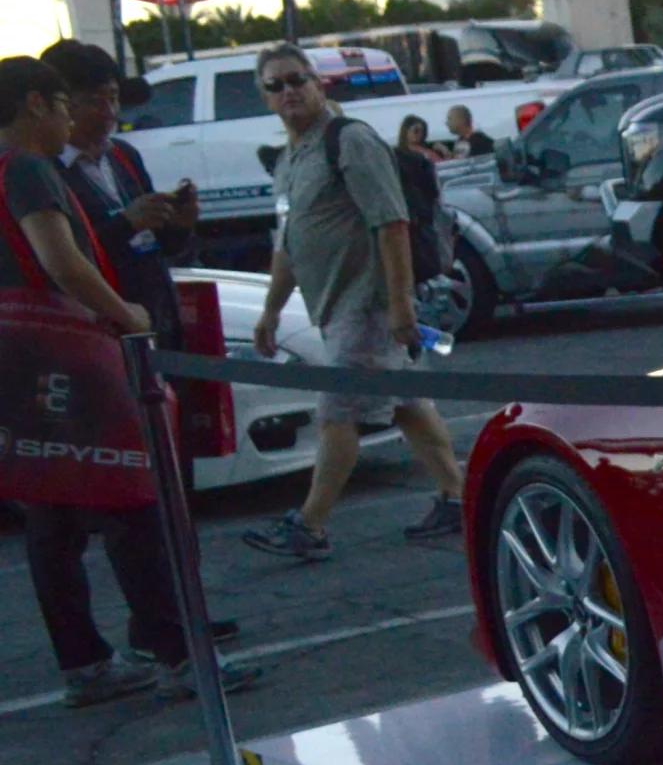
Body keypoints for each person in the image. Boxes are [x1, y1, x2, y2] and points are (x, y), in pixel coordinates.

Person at [0, 57, 254, 707]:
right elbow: (63, 262)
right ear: (35, 105)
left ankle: (85, 661)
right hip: (76, 355)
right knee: (136, 500)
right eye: (62, 104)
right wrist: (124, 313)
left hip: (24, 362)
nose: (67, 119)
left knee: (51, 509)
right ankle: (176, 654)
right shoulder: (28, 169)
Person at [240, 45, 465, 560]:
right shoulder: (289, 159)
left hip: (368, 303)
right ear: (265, 96)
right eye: (276, 84)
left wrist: (401, 303)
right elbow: (290, 243)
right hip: (333, 304)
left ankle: (310, 525)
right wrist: (271, 310)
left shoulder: (350, 141)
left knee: (336, 412)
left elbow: (392, 223)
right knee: (407, 402)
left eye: (298, 79)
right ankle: (458, 495)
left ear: (319, 83)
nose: (289, 90)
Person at [41, 40, 197, 346]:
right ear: (61, 105)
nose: (110, 112)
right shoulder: (43, 172)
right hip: (101, 335)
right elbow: (65, 263)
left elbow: (161, 248)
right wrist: (126, 224)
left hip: (159, 323)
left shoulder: (124, 156)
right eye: (95, 102)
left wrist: (180, 224)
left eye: (113, 99)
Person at [392, 114, 449, 288]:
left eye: (422, 132)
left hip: (422, 211)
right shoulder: (399, 156)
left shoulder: (425, 156)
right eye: (415, 131)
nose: (418, 136)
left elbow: (433, 187)